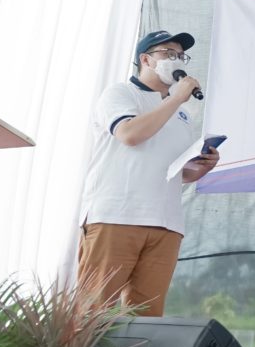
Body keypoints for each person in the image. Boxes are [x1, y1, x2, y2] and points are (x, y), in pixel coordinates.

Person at [78, 29, 221, 316]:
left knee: (145, 318)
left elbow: (176, 172)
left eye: (181, 55)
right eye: (168, 53)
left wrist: (202, 167)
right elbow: (129, 134)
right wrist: (175, 99)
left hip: (166, 224)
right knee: (92, 314)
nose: (177, 59)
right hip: (117, 216)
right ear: (146, 59)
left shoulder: (182, 114)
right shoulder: (120, 93)